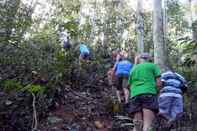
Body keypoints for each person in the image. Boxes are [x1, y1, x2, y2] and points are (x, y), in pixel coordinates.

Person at [127, 53, 162, 131]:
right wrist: (157, 93)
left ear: (140, 59)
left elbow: (129, 85)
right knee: (147, 124)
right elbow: (159, 83)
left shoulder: (133, 69)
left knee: (137, 125)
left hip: (135, 95)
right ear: (149, 59)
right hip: (149, 94)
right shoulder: (152, 66)